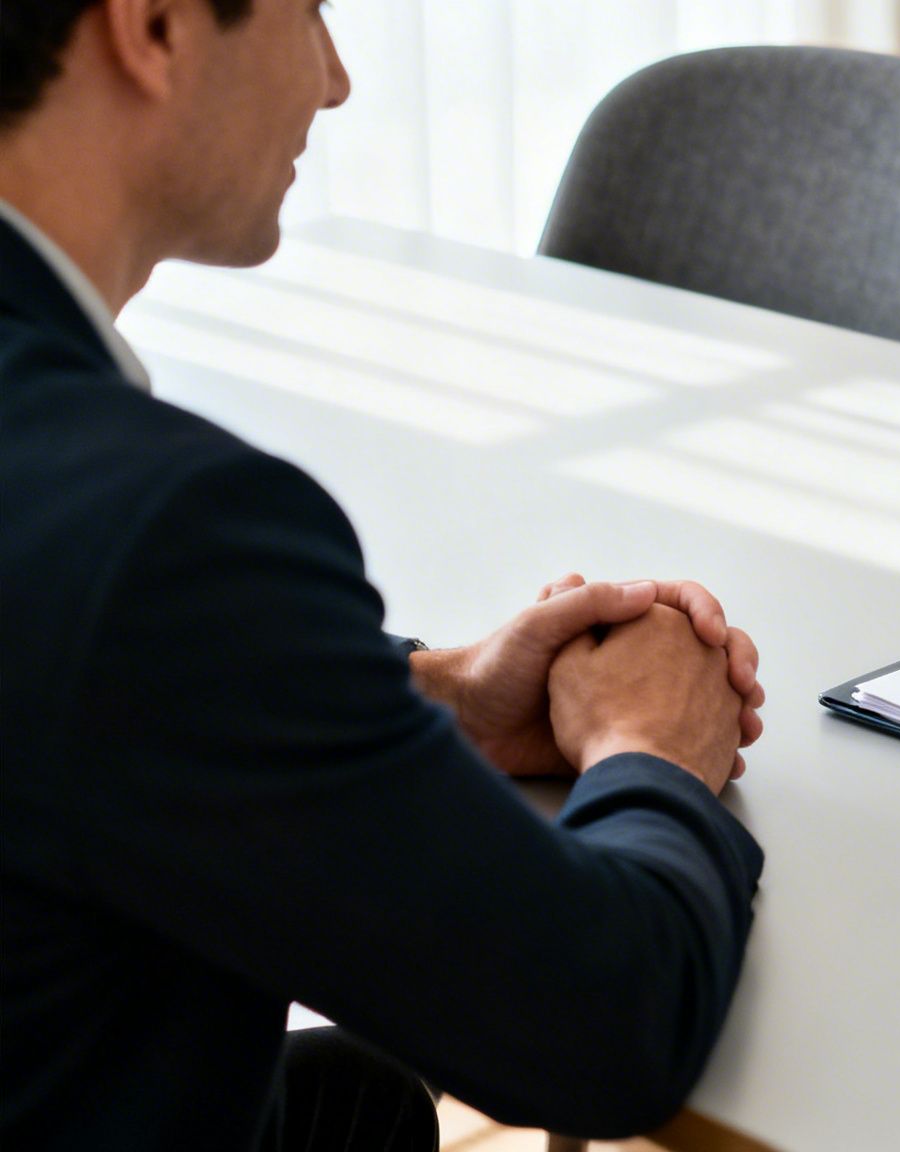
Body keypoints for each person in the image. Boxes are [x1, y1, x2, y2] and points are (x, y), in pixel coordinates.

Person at [0, 1, 769, 1147]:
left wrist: (440, 699)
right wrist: (649, 745)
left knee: (363, 1097)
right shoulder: (167, 528)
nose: (338, 80)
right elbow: (604, 1028)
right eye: (309, 12)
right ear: (153, 26)